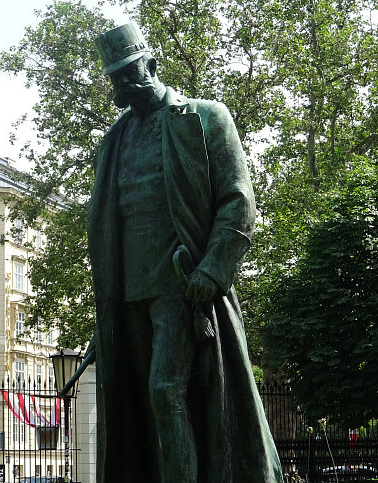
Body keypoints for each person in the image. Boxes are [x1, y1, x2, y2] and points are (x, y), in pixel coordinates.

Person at [86, 22, 283, 483]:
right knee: (138, 406)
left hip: (181, 282)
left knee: (165, 392)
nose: (123, 85)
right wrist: (104, 312)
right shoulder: (113, 142)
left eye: (129, 72)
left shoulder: (205, 117)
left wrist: (214, 268)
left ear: (151, 64)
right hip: (127, 289)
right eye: (115, 78)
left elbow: (238, 201)